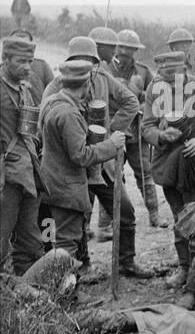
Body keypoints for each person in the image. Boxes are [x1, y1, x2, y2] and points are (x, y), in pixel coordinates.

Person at [36, 59, 129, 279]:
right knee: (67, 244)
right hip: (66, 189)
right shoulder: (69, 114)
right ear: (86, 85)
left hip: (50, 184)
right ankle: (67, 295)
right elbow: (81, 156)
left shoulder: (52, 103)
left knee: (52, 241)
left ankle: (55, 292)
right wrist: (112, 144)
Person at [141, 52, 195, 283]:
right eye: (165, 77)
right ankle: (184, 268)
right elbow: (146, 126)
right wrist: (160, 135)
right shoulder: (154, 90)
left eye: (174, 76)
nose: (169, 82)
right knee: (179, 217)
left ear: (185, 70)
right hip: (168, 161)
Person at [108, 29, 163, 230]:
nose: (125, 53)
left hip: (137, 131)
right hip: (112, 131)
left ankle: (154, 215)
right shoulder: (105, 70)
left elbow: (155, 99)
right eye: (121, 48)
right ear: (115, 48)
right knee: (110, 175)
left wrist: (141, 109)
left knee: (145, 173)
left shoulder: (143, 71)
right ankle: (106, 224)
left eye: (129, 49)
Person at [0, 35, 44, 275]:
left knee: (29, 238)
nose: (27, 67)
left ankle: (27, 291)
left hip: (28, 173)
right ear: (5, 58)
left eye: (30, 61)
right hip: (5, 178)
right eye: (21, 61)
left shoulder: (25, 88)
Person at [7, 28, 53, 94]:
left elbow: (53, 93)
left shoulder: (42, 66)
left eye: (25, 44)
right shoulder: (4, 69)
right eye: (17, 44)